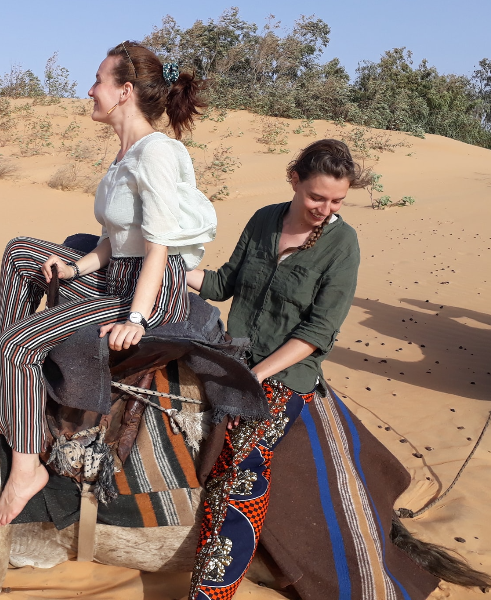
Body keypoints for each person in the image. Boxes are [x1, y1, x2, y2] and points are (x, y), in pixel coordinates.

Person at [0, 41, 217, 527]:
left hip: (146, 294)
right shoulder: (124, 153)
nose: (90, 90)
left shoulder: (154, 155)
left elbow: (158, 247)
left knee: (19, 346)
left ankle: (26, 470)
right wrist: (73, 269)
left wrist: (136, 318)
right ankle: (5, 379)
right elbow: (115, 240)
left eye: (98, 81)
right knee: (22, 251)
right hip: (115, 273)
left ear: (124, 91)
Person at [186, 139, 363, 598]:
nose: (325, 208)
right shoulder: (265, 218)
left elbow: (318, 331)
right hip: (232, 351)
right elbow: (224, 282)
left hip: (284, 375)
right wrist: (167, 269)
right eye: (316, 197)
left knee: (242, 463)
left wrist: (259, 374)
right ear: (294, 181)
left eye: (337, 200)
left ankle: (214, 592)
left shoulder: (343, 245)